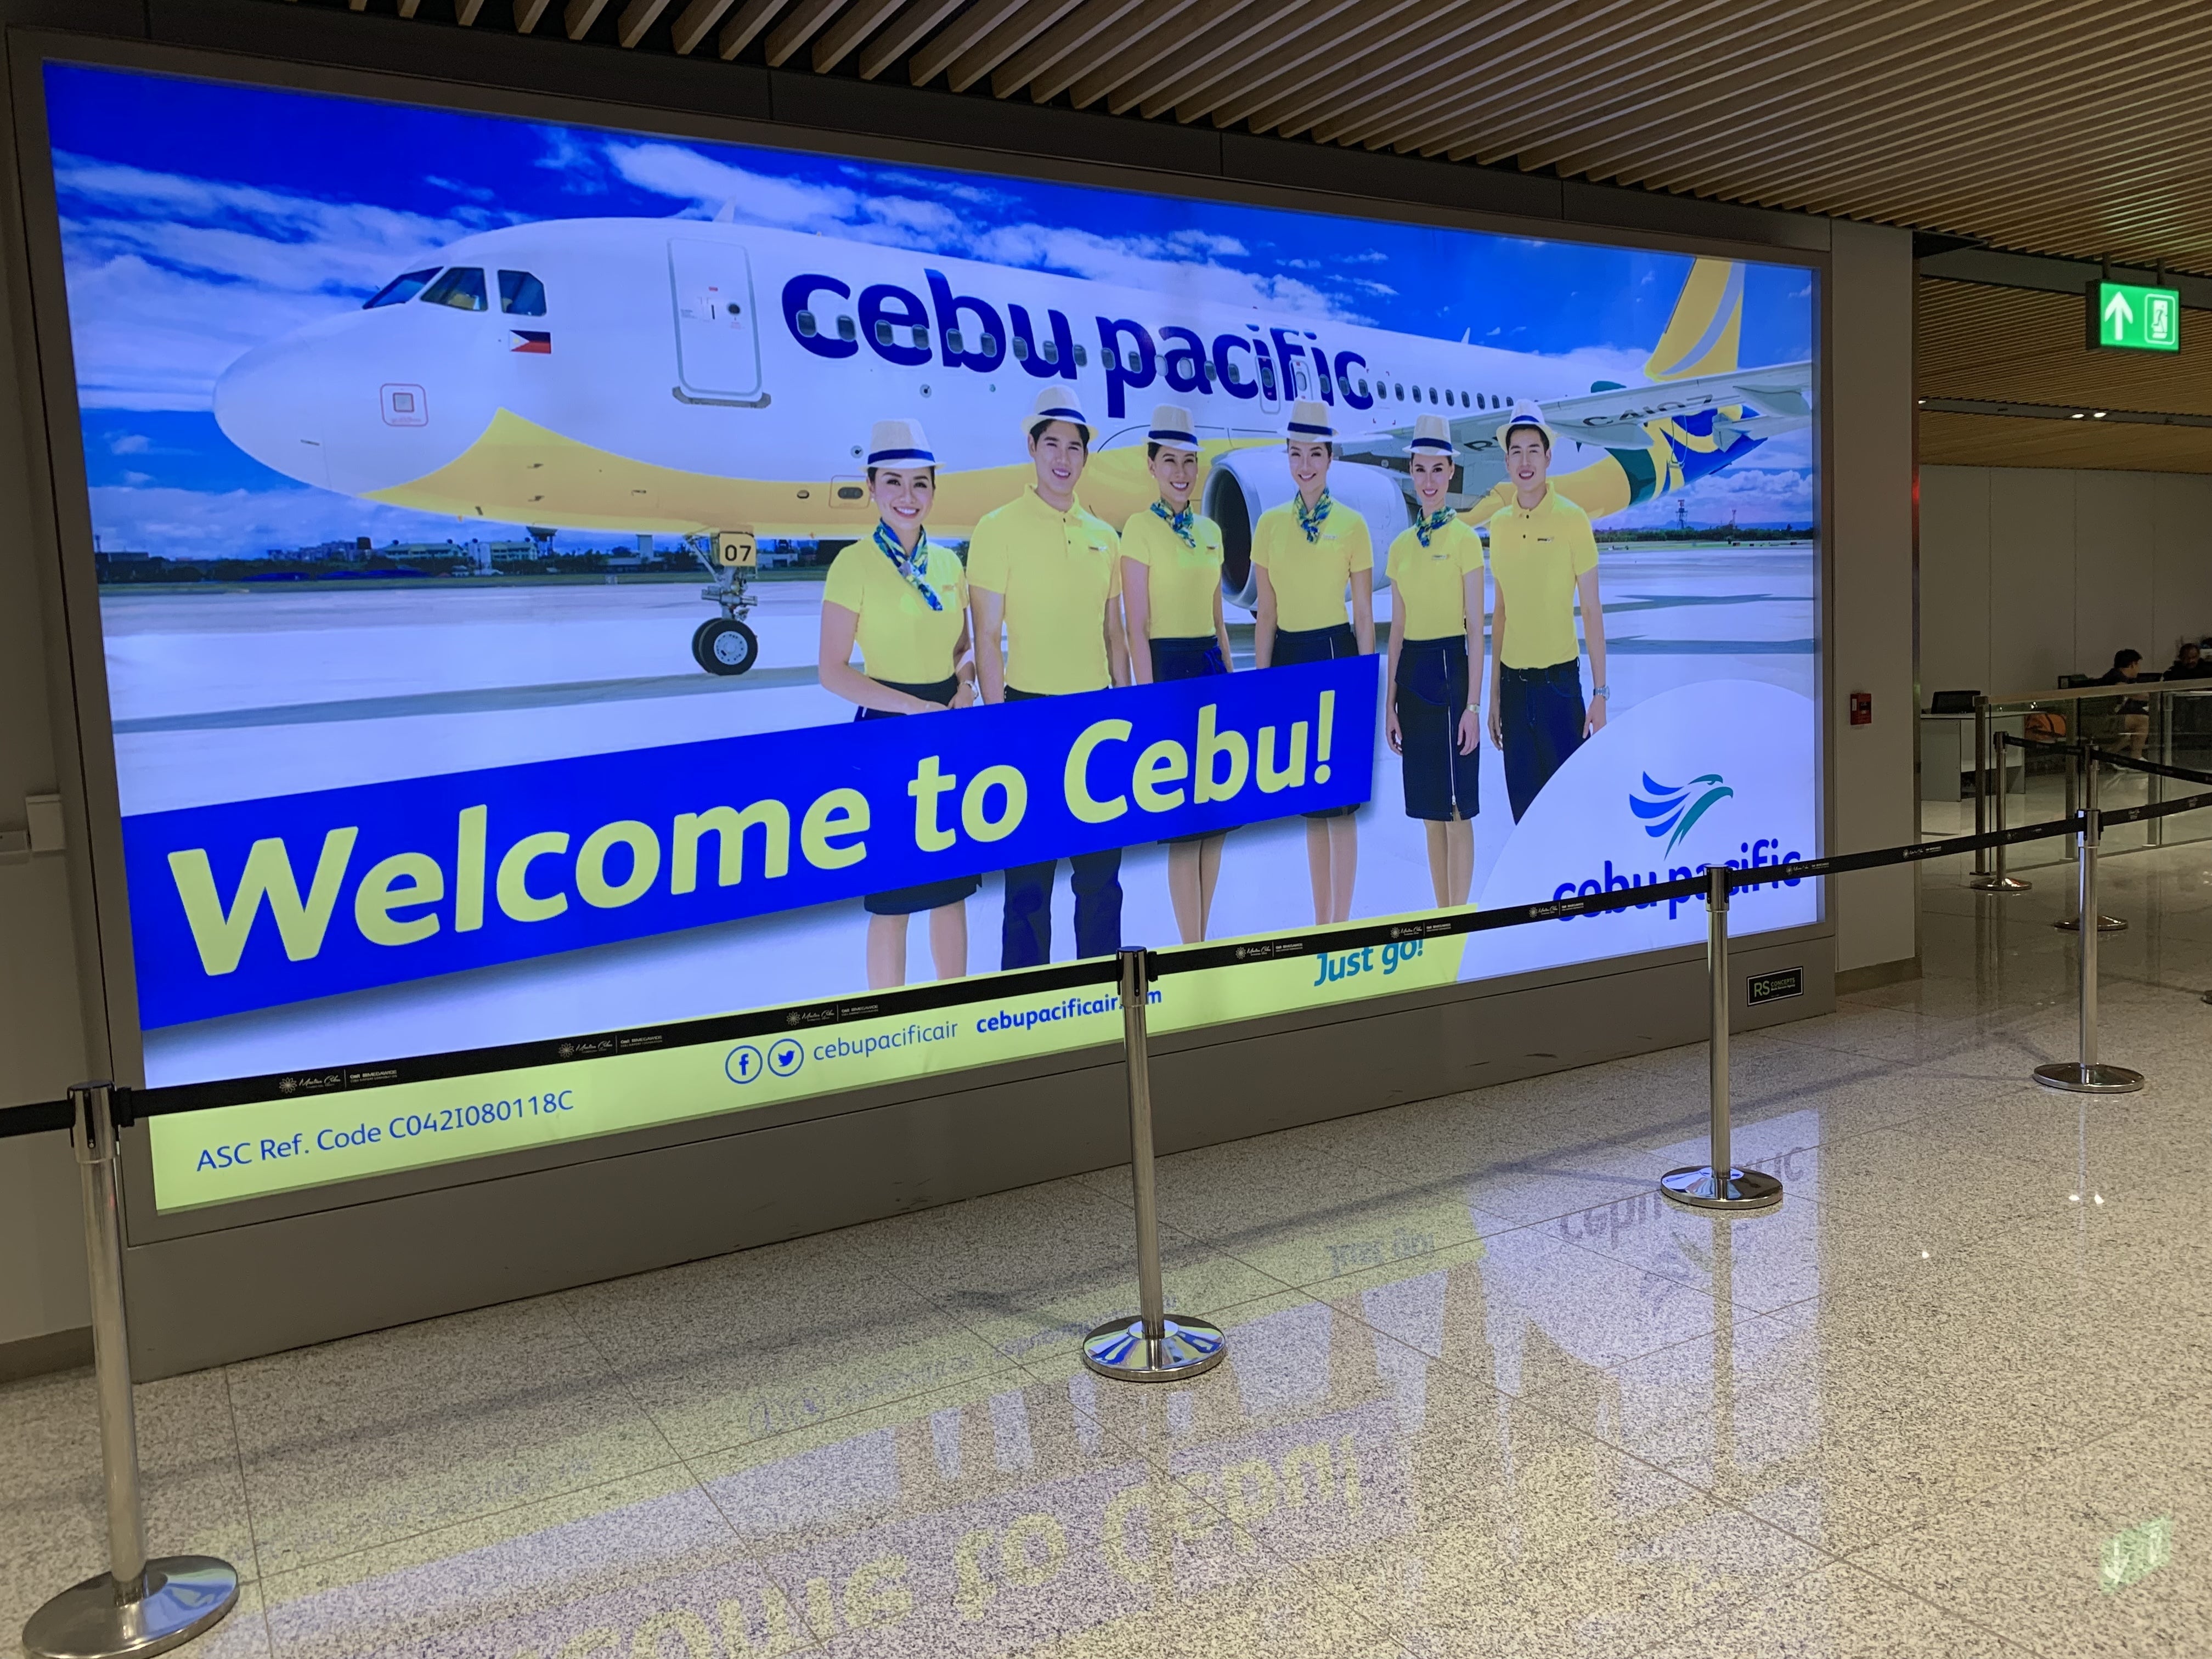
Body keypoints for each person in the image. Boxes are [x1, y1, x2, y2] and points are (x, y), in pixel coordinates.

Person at [968, 386, 1129, 968]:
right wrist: (998, 724)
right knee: (1029, 881)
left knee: (1100, 875)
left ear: (1086, 456)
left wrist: (1126, 712)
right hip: (1028, 715)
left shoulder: (1104, 536)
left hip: (1098, 718)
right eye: (1052, 445)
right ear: (1033, 449)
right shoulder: (997, 528)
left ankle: (1101, 991)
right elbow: (987, 636)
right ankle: (1027, 1001)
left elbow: (1114, 634)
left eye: (1074, 447)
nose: (1064, 458)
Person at [816, 418, 979, 988]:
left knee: (951, 886)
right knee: (893, 894)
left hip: (946, 727)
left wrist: (966, 686)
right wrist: (911, 710)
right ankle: (892, 1018)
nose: (907, 496)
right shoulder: (852, 564)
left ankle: (955, 1004)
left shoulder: (950, 564)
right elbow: (832, 671)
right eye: (893, 482)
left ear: (934, 489)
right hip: (887, 729)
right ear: (871, 488)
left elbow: (964, 650)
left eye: (919, 483)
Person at [1251, 398, 1374, 925]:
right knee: (1311, 799)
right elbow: (1266, 614)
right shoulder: (1269, 526)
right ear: (1287, 456)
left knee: (1340, 802)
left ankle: (1339, 923)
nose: (1305, 465)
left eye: (1315, 454)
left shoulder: (1353, 525)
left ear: (1330, 458)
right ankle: (1320, 919)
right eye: (1296, 454)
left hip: (1335, 657)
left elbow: (1364, 614)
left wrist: (1365, 685)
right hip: (1289, 663)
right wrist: (1262, 685)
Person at [1121, 403, 1234, 943]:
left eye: (1190, 461)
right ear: (1151, 465)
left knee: (1217, 820)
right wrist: (1146, 700)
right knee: (1184, 824)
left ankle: (1203, 935)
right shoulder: (1138, 530)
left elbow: (1219, 619)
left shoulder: (1211, 531)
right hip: (1167, 675)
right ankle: (1192, 945)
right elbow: (1136, 626)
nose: (1182, 472)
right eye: (1170, 460)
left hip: (1211, 672)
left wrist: (1231, 680)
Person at [1485, 399, 1609, 821]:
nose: (1525, 462)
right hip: (1514, 693)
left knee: (1568, 816)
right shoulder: (1499, 526)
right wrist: (1494, 696)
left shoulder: (1573, 520)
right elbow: (1501, 612)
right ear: (1506, 461)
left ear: (1548, 457)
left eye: (1533, 451)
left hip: (1560, 691)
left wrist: (1600, 694)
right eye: (1516, 452)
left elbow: (1591, 609)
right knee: (1525, 820)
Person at [1385, 414, 1483, 908]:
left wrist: (1473, 707)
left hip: (1451, 672)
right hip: (1414, 677)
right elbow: (1397, 631)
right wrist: (1390, 704)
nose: (1428, 481)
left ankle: (1459, 915)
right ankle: (1443, 913)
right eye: (1420, 470)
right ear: (1411, 472)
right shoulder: (1401, 548)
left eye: (1437, 470)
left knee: (1458, 808)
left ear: (1450, 472)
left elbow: (1476, 631)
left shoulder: (1465, 541)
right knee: (1429, 809)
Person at [2094, 647, 2150, 760]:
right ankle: (2136, 758)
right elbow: (2124, 690)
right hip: (2101, 719)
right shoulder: (2116, 676)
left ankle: (2108, 756)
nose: (2139, 668)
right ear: (2132, 665)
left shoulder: (2125, 678)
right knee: (2143, 721)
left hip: (2107, 717)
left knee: (2132, 729)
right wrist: (2150, 696)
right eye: (2138, 664)